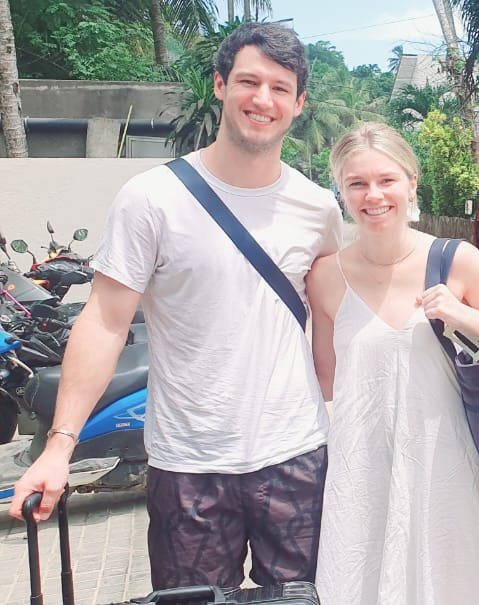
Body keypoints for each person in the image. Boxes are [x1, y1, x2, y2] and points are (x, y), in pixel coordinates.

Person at [8, 23, 342, 591]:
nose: (263, 99)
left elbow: (330, 318)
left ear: (299, 102)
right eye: (249, 81)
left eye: (280, 88)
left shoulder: (318, 208)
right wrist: (59, 446)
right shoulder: (152, 198)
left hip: (295, 456)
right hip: (189, 463)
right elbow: (104, 321)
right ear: (220, 84)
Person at [309, 122, 479, 604]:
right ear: (341, 192)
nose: (374, 195)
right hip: (363, 475)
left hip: (450, 472)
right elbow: (328, 380)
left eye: (386, 180)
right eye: (357, 183)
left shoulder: (457, 260)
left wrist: (464, 314)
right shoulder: (326, 276)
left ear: (411, 182)